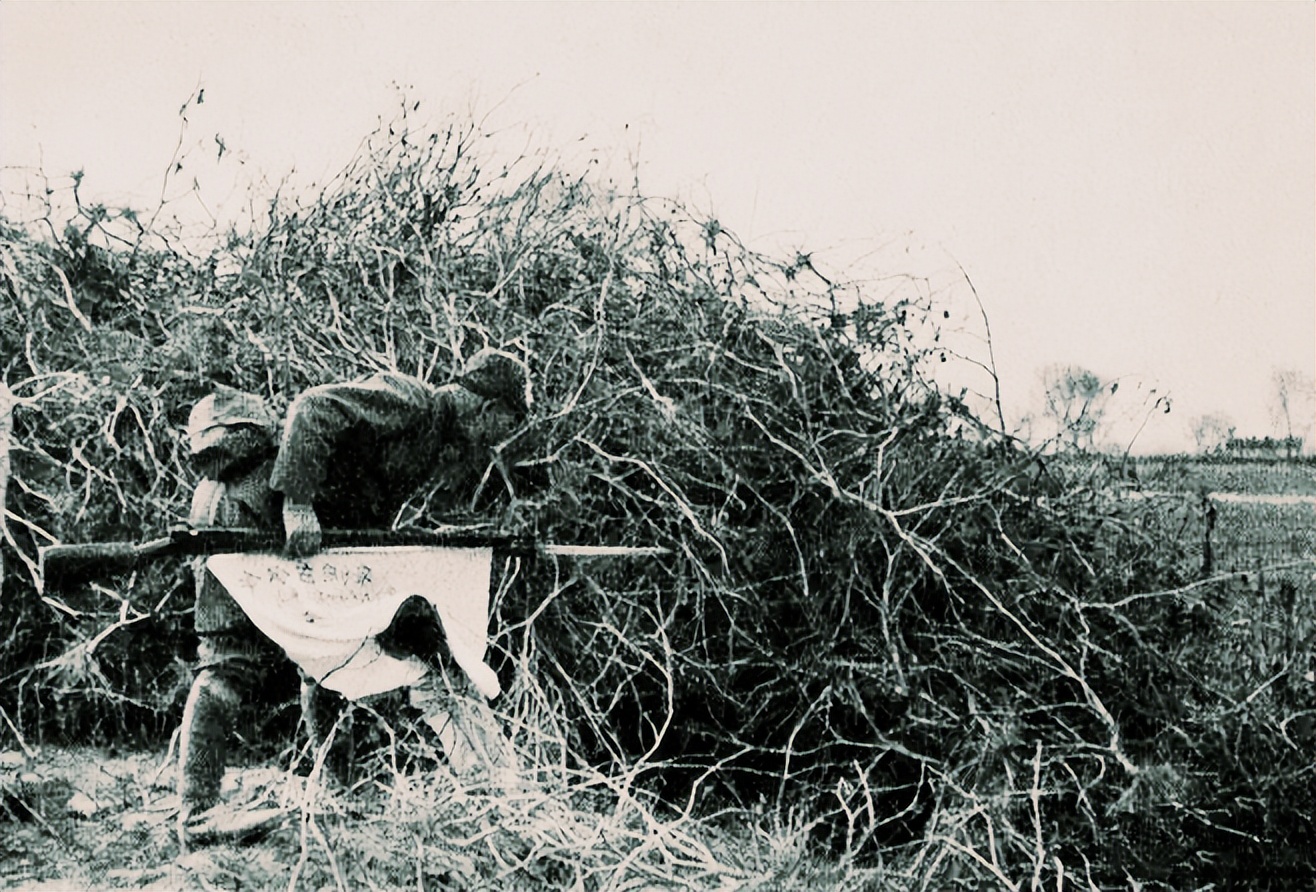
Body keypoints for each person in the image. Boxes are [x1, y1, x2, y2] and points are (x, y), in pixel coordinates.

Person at [175, 351, 527, 841]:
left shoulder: (430, 437)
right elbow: (313, 407)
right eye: (502, 427)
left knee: (328, 653)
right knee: (231, 662)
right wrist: (298, 503)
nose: (495, 442)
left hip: (248, 511)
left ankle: (336, 793)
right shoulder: (413, 402)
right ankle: (197, 816)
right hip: (252, 510)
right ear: (488, 410)